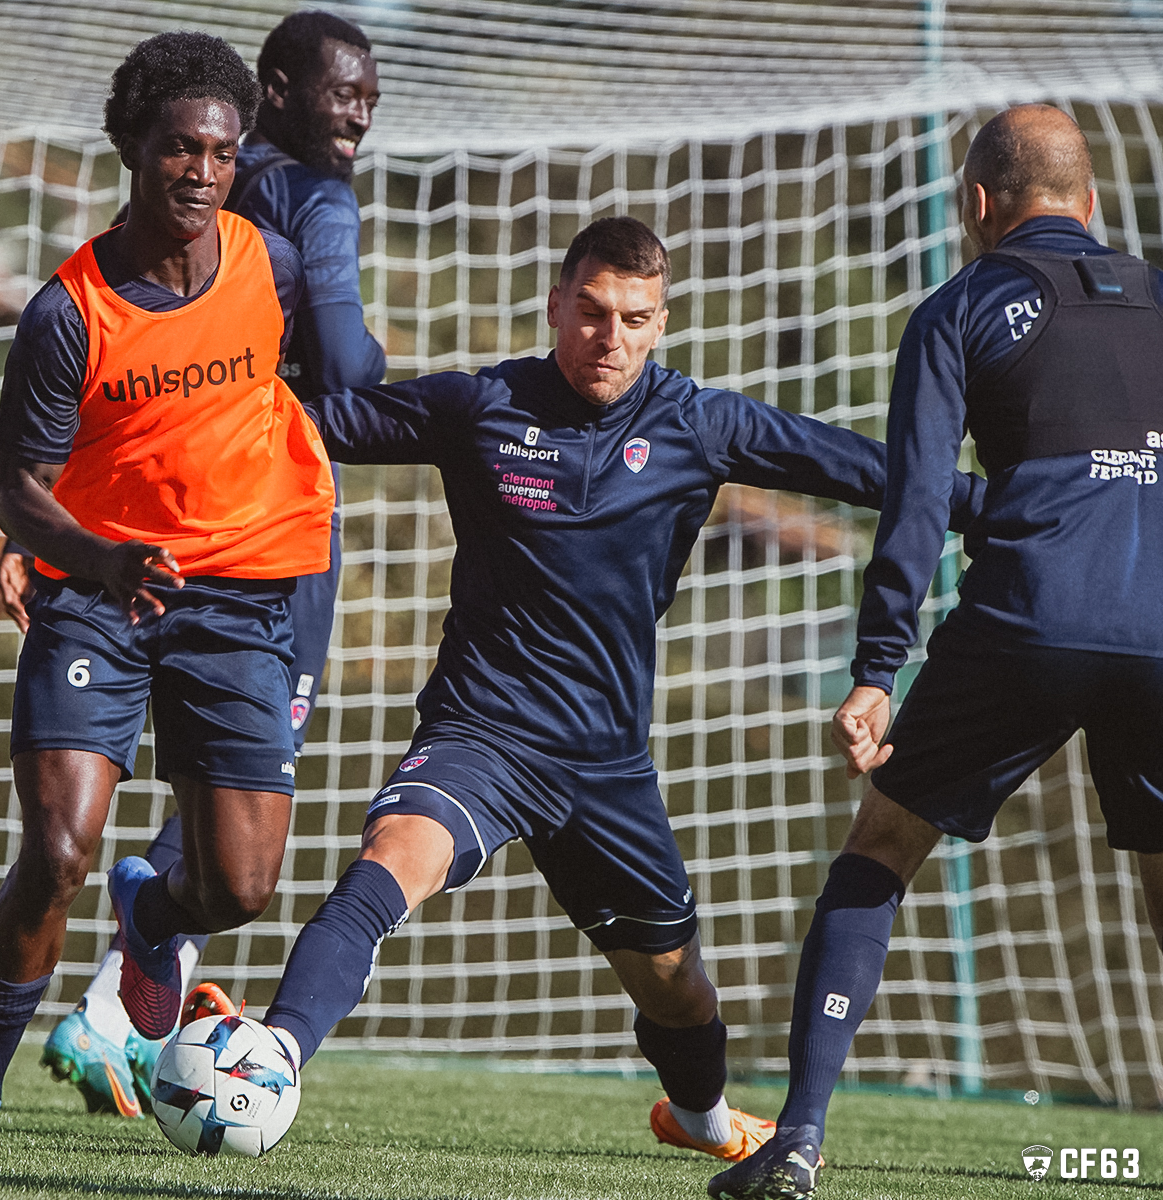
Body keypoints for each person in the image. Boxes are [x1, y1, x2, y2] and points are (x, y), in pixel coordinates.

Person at [195, 215, 983, 1161]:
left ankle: (700, 1118)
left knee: (676, 987)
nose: (611, 337)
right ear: (558, 305)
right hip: (481, 732)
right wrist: (184, 399)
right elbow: (298, 426)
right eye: (594, 312)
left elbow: (875, 474)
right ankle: (272, 1057)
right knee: (390, 858)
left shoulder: (701, 424)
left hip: (606, 765)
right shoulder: (479, 405)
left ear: (662, 324)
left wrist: (1019, 511)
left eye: (635, 318)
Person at [710, 105, 1163, 1200]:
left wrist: (877, 669)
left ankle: (801, 1139)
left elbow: (915, 506)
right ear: (1092, 203)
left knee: (881, 844)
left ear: (976, 207)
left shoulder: (960, 306)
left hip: (1028, 617)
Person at [0, 30, 335, 1135]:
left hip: (238, 594)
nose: (201, 171)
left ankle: (151, 917)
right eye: (179, 149)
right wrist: (98, 557)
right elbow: (19, 489)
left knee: (240, 891)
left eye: (222, 152)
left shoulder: (269, 264)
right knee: (56, 854)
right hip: (97, 593)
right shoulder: (68, 311)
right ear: (133, 149)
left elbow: (287, 398)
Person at [33, 10, 386, 1119]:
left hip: (149, 525)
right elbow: (347, 363)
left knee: (213, 785)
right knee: (237, 773)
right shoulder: (311, 202)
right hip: (266, 531)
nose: (360, 115)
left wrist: (31, 536)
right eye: (342, 92)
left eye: (369, 94)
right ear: (275, 88)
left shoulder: (194, 190)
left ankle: (108, 1003)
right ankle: (104, 1013)